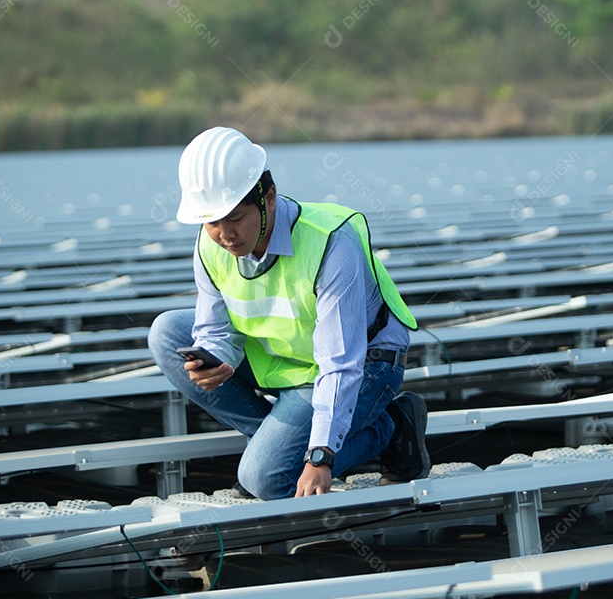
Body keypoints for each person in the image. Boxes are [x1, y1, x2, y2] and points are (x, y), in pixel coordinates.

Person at [148, 126, 429, 500]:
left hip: (364, 364)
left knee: (267, 481)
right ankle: (273, 448)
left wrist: (319, 457)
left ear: (269, 198)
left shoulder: (330, 243)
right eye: (212, 221)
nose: (225, 234)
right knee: (167, 332)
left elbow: (340, 364)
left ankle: (393, 426)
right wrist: (213, 355)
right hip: (286, 355)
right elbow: (215, 329)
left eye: (235, 217)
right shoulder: (211, 243)